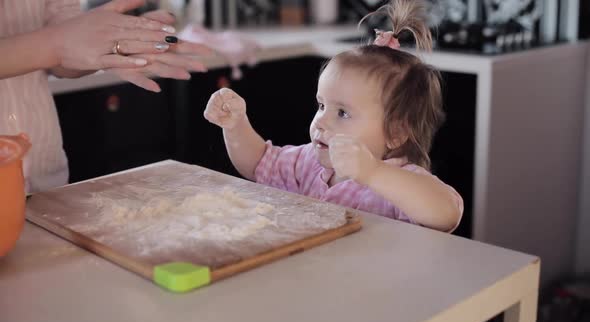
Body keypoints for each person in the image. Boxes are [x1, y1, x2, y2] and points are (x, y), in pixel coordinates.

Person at [203, 0, 463, 232]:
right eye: (321, 106)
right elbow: (256, 164)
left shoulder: (399, 181)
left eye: (343, 113)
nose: (322, 122)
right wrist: (236, 126)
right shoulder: (307, 163)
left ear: (395, 133)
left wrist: (372, 172)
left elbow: (446, 214)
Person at [0, 0, 210, 192]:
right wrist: (57, 44)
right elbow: (57, 45)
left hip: (44, 171)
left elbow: (61, 57)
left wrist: (114, 42)